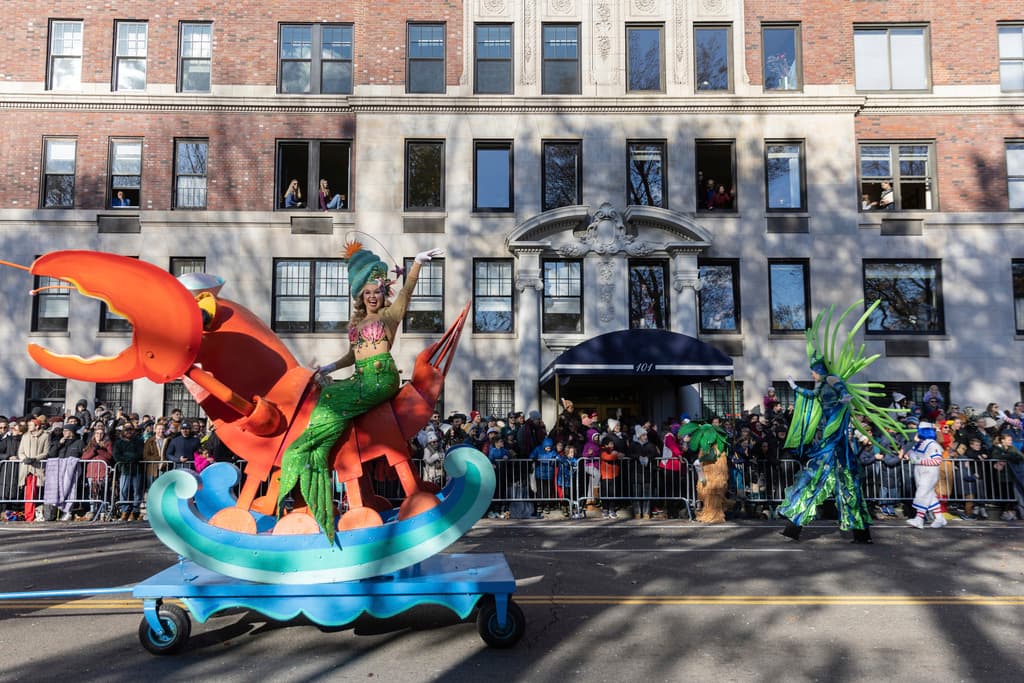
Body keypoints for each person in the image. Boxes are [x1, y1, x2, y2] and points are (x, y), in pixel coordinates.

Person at [276, 241, 443, 538]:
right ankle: (316, 452)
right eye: (367, 293)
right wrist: (329, 368)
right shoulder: (356, 322)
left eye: (377, 292)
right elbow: (352, 356)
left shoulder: (389, 316)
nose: (372, 297)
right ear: (360, 296)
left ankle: (312, 448)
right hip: (359, 377)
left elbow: (407, 292)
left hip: (381, 379)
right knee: (326, 393)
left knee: (333, 401)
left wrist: (416, 263)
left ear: (382, 294)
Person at [777, 301, 906, 544]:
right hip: (830, 440)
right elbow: (810, 396)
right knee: (818, 481)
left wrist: (845, 398)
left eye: (814, 371)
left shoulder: (832, 379)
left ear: (820, 369)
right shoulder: (819, 386)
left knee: (839, 483)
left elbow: (842, 389)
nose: (812, 374)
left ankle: (858, 533)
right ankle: (794, 527)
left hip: (835, 442)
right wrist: (794, 387)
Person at [905, 421, 946, 529]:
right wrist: (909, 454)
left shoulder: (932, 444)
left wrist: (919, 461)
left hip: (929, 473)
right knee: (930, 496)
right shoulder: (920, 443)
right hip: (920, 472)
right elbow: (912, 453)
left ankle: (919, 519)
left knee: (922, 494)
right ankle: (939, 518)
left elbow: (937, 460)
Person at [113, 424, 145, 521]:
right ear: (123, 431)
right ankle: (124, 510)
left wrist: (127, 457)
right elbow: (116, 456)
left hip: (137, 469)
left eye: (130, 430)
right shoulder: (118, 442)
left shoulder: (139, 441)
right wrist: (128, 458)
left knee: (137, 491)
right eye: (126, 430)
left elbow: (139, 454)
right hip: (124, 470)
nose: (128, 432)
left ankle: (135, 511)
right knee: (124, 490)